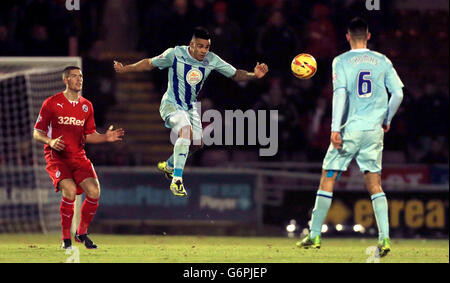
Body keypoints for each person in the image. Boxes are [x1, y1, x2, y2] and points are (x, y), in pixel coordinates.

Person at [114, 27, 268, 197]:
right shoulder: (175, 54)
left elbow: (236, 74)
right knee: (185, 132)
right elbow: (149, 63)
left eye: (207, 47)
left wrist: (254, 75)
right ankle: (176, 180)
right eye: (200, 46)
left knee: (197, 144)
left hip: (190, 107)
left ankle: (170, 165)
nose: (204, 51)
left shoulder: (212, 59)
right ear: (191, 45)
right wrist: (126, 68)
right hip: (171, 104)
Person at [296, 17, 404, 258]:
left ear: (347, 36)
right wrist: (387, 119)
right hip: (374, 131)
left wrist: (335, 128)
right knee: (374, 183)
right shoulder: (382, 61)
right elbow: (397, 93)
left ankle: (314, 234)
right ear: (368, 35)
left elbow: (340, 95)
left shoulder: (341, 61)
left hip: (350, 131)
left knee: (328, 176)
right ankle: (384, 237)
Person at [33, 66, 125, 250]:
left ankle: (81, 233)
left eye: (81, 76)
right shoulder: (51, 103)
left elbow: (88, 135)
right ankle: (65, 238)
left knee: (94, 191)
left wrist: (105, 137)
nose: (79, 79)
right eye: (74, 76)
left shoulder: (87, 106)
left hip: (78, 156)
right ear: (65, 80)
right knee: (69, 189)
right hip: (57, 157)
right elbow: (37, 132)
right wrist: (50, 141)